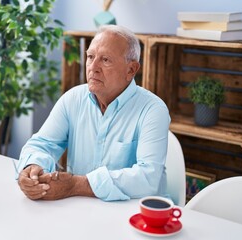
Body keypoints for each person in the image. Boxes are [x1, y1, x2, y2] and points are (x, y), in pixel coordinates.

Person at [16, 24, 170, 201]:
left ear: (131, 70)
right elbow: (41, 144)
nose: (93, 67)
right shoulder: (73, 98)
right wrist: (32, 168)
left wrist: (76, 185)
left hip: (136, 214)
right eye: (90, 57)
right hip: (83, 208)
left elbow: (147, 178)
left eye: (105, 60)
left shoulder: (153, 109)